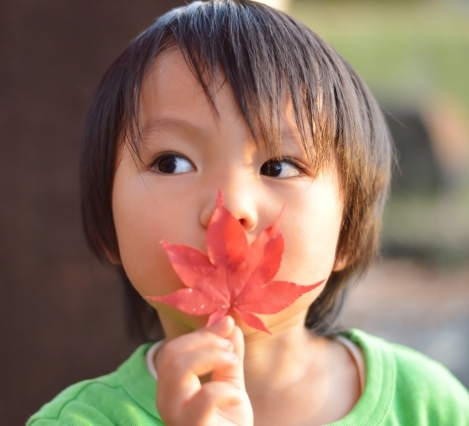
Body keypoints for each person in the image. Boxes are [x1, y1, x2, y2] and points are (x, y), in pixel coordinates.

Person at [28, 1, 469, 424]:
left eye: (278, 166)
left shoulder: (428, 405)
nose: (230, 206)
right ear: (107, 226)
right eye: (171, 162)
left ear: (348, 230)